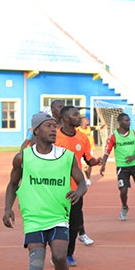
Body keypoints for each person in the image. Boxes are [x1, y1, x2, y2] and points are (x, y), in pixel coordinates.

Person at [4, 112, 87, 270]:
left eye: (55, 126)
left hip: (59, 216)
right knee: (37, 262)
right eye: (48, 126)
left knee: (60, 258)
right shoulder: (23, 157)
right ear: (36, 130)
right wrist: (7, 209)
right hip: (33, 219)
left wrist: (79, 191)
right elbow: (13, 184)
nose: (53, 129)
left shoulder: (66, 156)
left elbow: (82, 182)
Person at [55, 106, 101, 261]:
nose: (79, 117)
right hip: (55, 188)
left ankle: (68, 254)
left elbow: (88, 159)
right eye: (75, 115)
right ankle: (56, 253)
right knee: (57, 224)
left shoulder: (82, 137)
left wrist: (97, 161)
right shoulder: (54, 137)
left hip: (75, 189)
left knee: (74, 225)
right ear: (65, 118)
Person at [99, 112, 135, 223]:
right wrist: (103, 164)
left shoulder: (134, 133)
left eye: (129, 120)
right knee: (123, 190)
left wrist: (133, 157)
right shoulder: (113, 135)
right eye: (126, 120)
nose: (128, 122)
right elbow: (107, 150)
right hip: (122, 167)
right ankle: (124, 207)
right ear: (120, 122)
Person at [77, 116, 96, 186]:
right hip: (81, 148)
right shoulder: (78, 129)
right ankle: (80, 179)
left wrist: (102, 126)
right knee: (83, 166)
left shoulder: (89, 128)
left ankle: (88, 179)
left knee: (89, 164)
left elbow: (97, 128)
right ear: (82, 122)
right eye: (86, 120)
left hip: (90, 148)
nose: (88, 121)